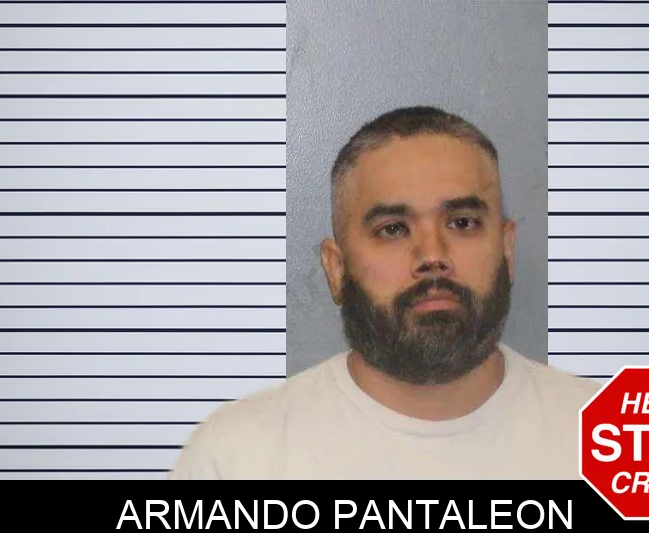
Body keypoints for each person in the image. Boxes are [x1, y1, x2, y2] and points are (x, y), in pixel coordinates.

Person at [169, 106, 599, 480]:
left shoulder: (614, 441)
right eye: (393, 229)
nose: (433, 255)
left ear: (506, 248)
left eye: (462, 223)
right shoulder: (236, 458)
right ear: (336, 268)